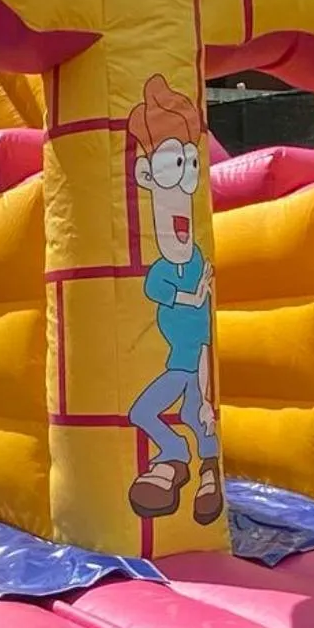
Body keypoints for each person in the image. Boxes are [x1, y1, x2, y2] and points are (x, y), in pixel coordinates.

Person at [124, 75, 223, 524]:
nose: (184, 181)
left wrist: (205, 387)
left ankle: (205, 470)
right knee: (144, 411)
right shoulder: (164, 270)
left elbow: (200, 328)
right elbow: (176, 297)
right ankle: (176, 453)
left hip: (192, 365)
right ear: (145, 176)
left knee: (199, 414)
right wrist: (196, 292)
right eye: (172, 165)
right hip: (177, 366)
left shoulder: (196, 258)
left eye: (191, 166)